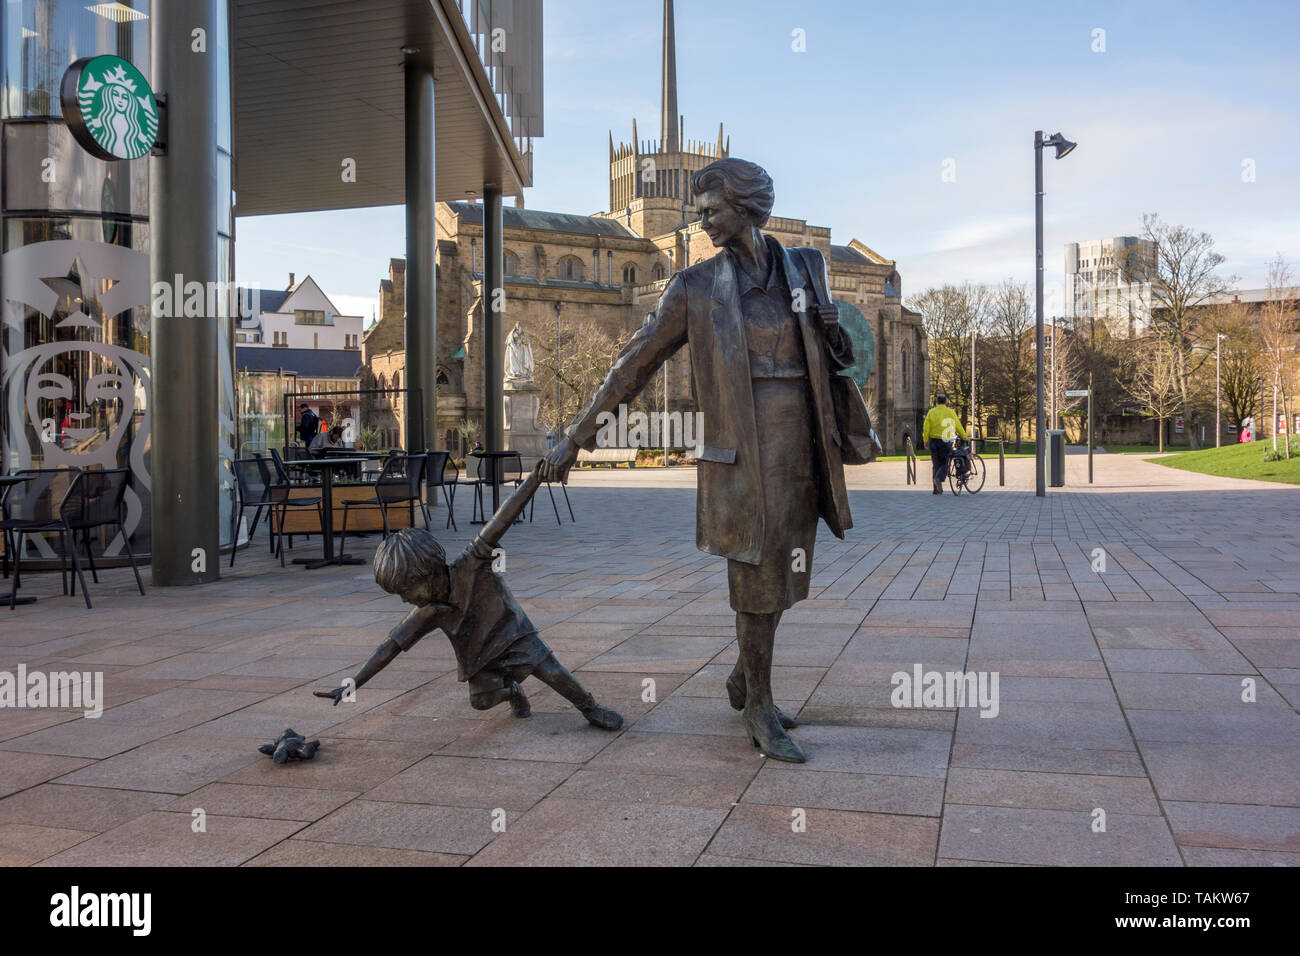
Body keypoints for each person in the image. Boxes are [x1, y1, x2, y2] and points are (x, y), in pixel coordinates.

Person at [537, 158, 874, 763]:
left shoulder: (806, 265)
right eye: (699, 209)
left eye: (711, 209)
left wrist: (834, 329)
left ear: (747, 208)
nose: (701, 219)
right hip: (741, 450)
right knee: (755, 576)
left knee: (785, 573)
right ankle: (758, 708)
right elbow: (634, 365)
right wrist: (577, 434)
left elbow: (835, 351)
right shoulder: (693, 287)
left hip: (801, 440)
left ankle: (747, 679)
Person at [315, 474, 623, 731]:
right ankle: (513, 690)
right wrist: (353, 683)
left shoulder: (473, 561)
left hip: (514, 635)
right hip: (480, 657)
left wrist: (538, 477)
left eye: (407, 589)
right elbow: (389, 648)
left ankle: (590, 707)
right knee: (481, 701)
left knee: (555, 674)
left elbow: (506, 513)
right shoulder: (428, 611)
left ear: (430, 572)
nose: (406, 599)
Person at [921, 392, 967, 494]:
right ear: (945, 402)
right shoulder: (950, 412)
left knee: (936, 464)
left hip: (934, 440)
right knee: (946, 463)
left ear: (937, 402)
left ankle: (936, 489)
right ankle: (938, 479)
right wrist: (965, 437)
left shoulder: (931, 412)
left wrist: (925, 440)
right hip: (946, 441)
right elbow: (958, 426)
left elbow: (926, 427)